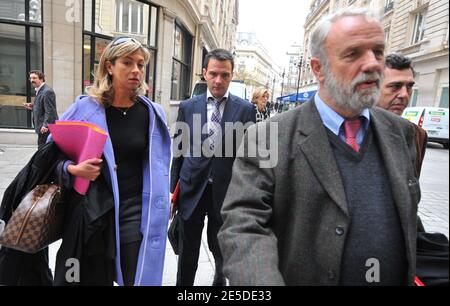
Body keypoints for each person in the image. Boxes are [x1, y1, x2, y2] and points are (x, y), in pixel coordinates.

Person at [218, 8, 421, 286]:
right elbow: (243, 226)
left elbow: (405, 220)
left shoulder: (402, 133)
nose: (373, 64)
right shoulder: (269, 136)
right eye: (353, 54)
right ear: (318, 68)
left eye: (378, 52)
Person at [51, 36, 171, 285]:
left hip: (133, 212)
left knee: (135, 278)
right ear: (109, 66)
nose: (136, 70)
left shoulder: (152, 113)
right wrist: (73, 169)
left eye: (140, 64)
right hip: (93, 214)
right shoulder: (85, 109)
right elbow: (49, 157)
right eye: (127, 62)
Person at [170, 48, 256, 286]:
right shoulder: (188, 107)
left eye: (225, 75)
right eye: (214, 74)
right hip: (192, 188)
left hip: (227, 191)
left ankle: (220, 278)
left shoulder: (246, 109)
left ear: (231, 76)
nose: (219, 80)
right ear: (204, 73)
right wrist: (172, 189)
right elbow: (179, 150)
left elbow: (249, 156)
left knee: (222, 246)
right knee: (188, 253)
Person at [377, 53, 427, 176]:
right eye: (395, 86)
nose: (404, 94)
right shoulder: (352, 129)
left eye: (409, 86)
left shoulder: (418, 134)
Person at [23, 70, 58, 149]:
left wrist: (45, 125)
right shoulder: (40, 90)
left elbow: (50, 110)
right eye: (31, 78)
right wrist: (33, 106)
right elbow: (43, 106)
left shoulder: (47, 91)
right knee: (43, 148)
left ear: (41, 79)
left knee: (43, 149)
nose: (32, 80)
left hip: (45, 127)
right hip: (42, 126)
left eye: (34, 78)